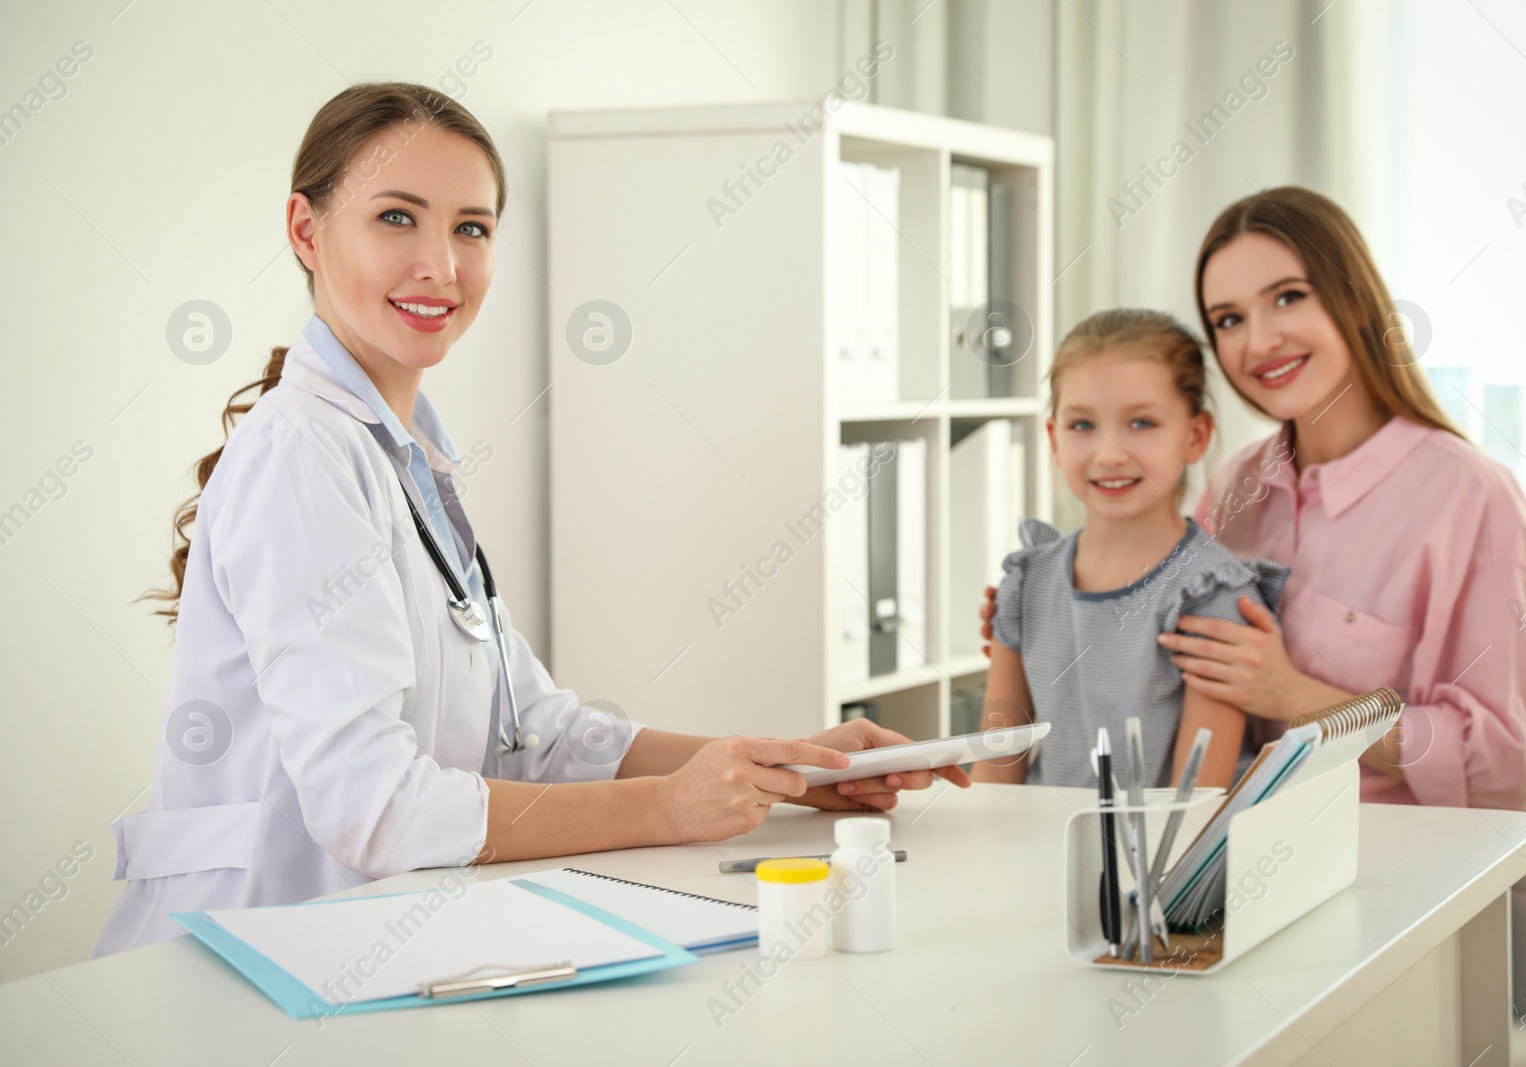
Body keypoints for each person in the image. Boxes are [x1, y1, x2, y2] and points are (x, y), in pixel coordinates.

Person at [96, 83, 966, 956]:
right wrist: (670, 807)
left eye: (471, 228)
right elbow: (372, 808)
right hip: (245, 967)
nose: (441, 263)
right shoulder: (303, 453)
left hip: (361, 953)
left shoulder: (408, 460)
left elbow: (538, 734)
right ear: (305, 230)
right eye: (398, 218)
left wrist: (779, 767)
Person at [983, 187, 1526, 809]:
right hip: (1226, 850)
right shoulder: (1236, 485)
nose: (1258, 343)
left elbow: (1506, 768)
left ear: (1355, 300)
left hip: (1388, 860)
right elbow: (1155, 636)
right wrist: (1048, 611)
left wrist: (1296, 696)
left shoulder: (1471, 499)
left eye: (1288, 297)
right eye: (1229, 320)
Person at [971, 309, 1288, 790]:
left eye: (1141, 422)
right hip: (1039, 854)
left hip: (1162, 860)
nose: (1109, 454)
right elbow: (996, 767)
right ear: (1053, 439)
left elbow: (1196, 804)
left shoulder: (1211, 596)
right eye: (1082, 425)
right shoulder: (1025, 582)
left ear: (1195, 436)